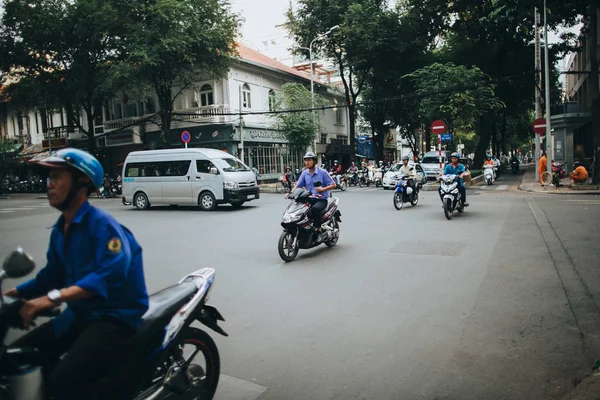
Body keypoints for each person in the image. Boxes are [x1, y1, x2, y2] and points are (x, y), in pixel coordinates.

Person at [4, 148, 149, 400]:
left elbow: (108, 275)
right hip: (80, 313)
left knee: (64, 382)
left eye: (57, 177)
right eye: (49, 178)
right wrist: (12, 294)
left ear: (81, 182)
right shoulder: (61, 229)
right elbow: (50, 276)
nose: (49, 185)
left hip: (113, 317)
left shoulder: (103, 226)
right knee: (18, 355)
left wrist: (51, 299)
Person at [290, 152, 336, 243]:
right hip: (309, 198)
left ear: (314, 161)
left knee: (315, 210)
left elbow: (333, 184)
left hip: (321, 199)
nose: (307, 163)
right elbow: (298, 185)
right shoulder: (304, 173)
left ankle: (318, 230)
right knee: (300, 211)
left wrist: (322, 189)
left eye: (309, 160)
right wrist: (291, 193)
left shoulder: (322, 172)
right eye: (305, 160)